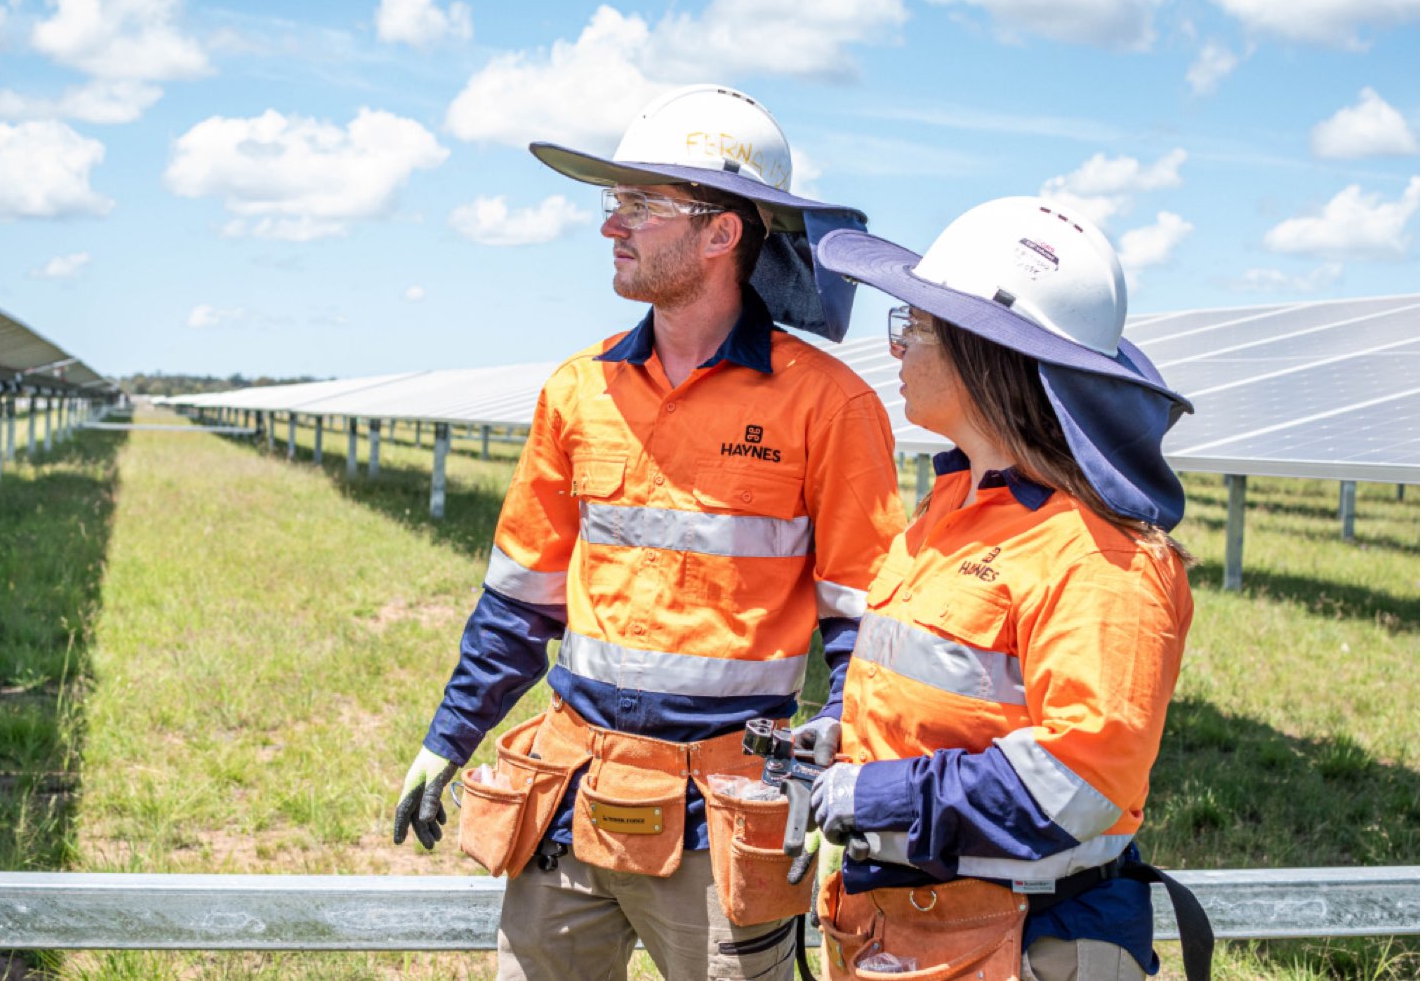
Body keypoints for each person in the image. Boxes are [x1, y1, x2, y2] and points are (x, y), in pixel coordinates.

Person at [392, 84, 906, 980]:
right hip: (570, 796)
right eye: (613, 202)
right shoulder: (578, 389)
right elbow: (520, 603)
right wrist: (449, 736)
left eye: (639, 205)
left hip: (725, 815)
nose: (610, 226)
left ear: (721, 233)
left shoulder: (830, 405)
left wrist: (847, 790)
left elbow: (866, 628)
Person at [804, 198, 1211, 980]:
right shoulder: (950, 508)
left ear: (982, 352)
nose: (895, 352)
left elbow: (1082, 779)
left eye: (912, 328)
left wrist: (877, 795)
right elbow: (913, 676)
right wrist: (838, 731)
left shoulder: (1102, 558)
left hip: (1029, 939)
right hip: (918, 928)